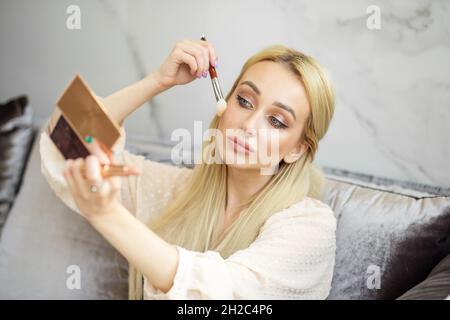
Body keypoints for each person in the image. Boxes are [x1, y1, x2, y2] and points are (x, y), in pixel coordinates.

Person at [40, 39, 337, 299]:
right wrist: (157, 81)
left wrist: (106, 214)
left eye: (277, 121)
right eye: (244, 101)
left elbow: (223, 297)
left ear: (298, 149)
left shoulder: (310, 226)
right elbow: (67, 138)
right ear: (225, 102)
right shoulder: (177, 191)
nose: (248, 125)